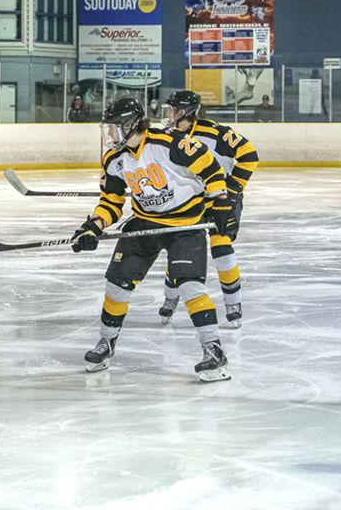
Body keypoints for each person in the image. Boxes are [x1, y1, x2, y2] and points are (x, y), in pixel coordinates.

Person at [72, 97, 232, 382]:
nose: (109, 134)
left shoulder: (168, 142)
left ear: (130, 124)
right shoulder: (114, 159)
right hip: (145, 222)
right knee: (117, 284)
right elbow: (111, 200)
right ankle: (106, 343)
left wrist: (220, 202)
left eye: (113, 128)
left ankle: (214, 350)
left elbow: (211, 168)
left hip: (186, 224)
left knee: (190, 285)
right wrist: (93, 226)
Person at [158, 91, 259, 329]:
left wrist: (233, 189)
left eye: (171, 110)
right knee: (179, 248)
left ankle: (233, 303)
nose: (167, 114)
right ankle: (170, 298)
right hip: (188, 201)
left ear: (184, 112)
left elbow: (249, 155)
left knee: (221, 248)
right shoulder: (166, 137)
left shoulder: (214, 132)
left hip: (219, 200)